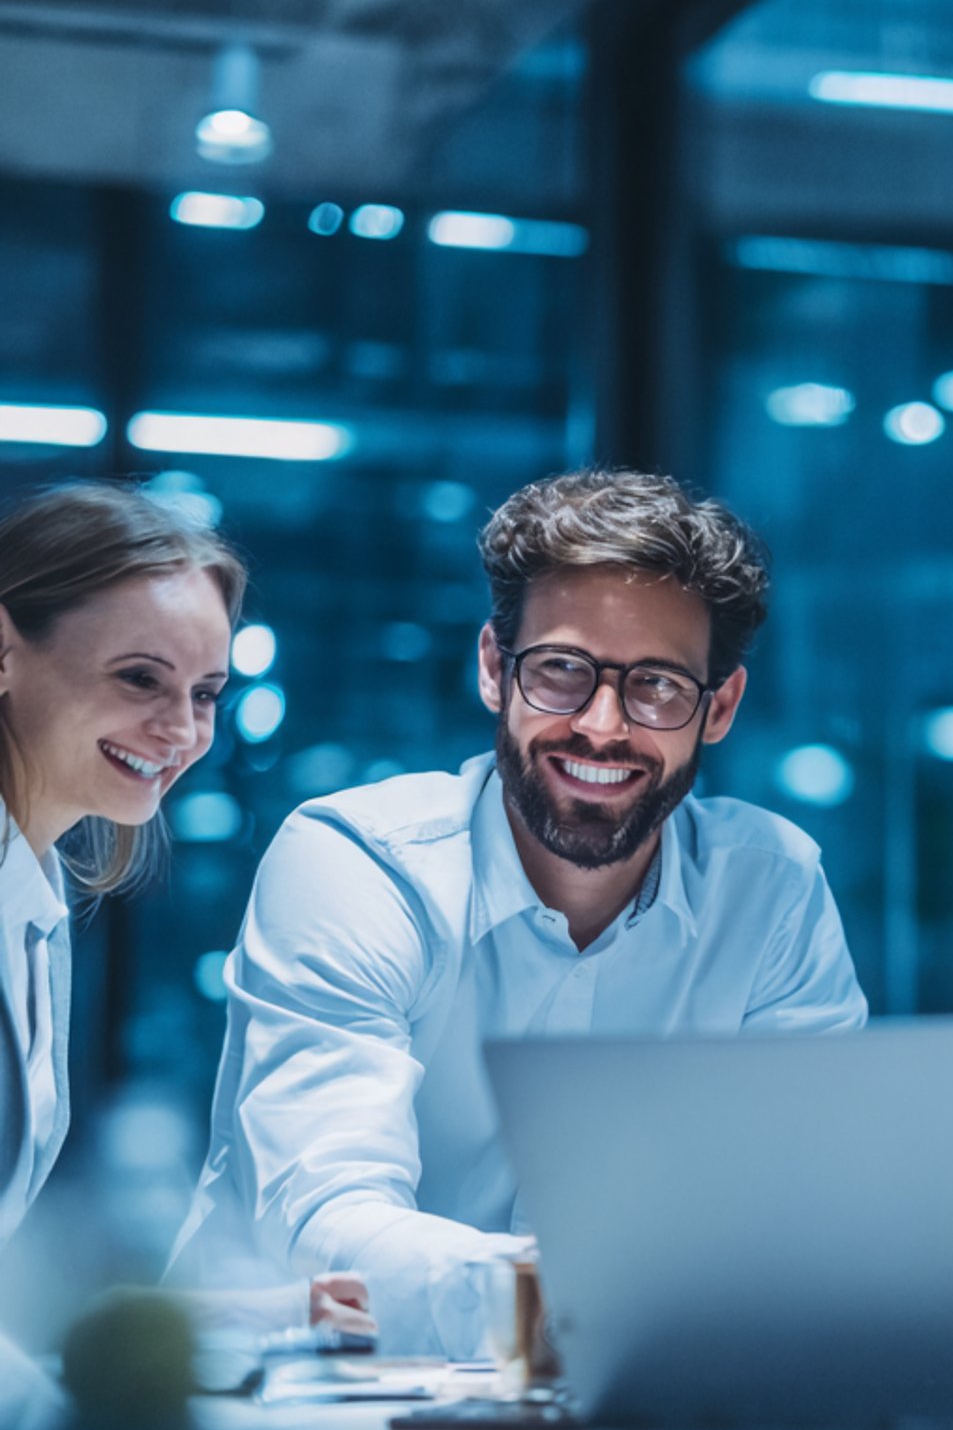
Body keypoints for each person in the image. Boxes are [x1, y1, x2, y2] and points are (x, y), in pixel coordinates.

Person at [168, 469, 867, 1352]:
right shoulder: (359, 861)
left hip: (615, 1409)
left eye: (657, 685)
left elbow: (803, 1212)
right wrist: (569, 1309)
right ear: (495, 670)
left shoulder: (771, 891)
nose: (605, 727)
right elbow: (328, 1220)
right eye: (564, 671)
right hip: (295, 1417)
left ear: (717, 708)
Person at [0, 483, 371, 1430]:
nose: (182, 730)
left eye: (204, 694)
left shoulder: (36, 898)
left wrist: (260, 1317)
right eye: (138, 678)